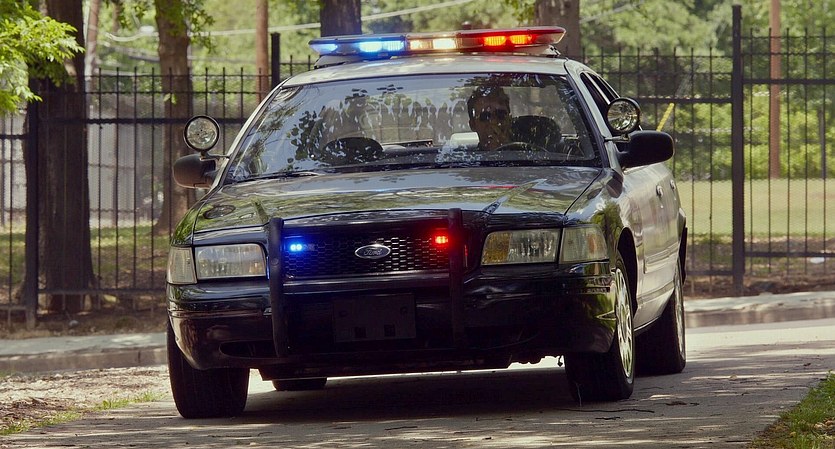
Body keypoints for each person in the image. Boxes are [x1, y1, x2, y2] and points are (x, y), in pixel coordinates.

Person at [467, 86, 513, 150]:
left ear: (509, 120)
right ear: (473, 125)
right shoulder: (465, 156)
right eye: (485, 117)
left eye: (500, 114)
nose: (494, 122)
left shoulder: (524, 152)